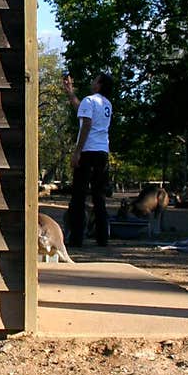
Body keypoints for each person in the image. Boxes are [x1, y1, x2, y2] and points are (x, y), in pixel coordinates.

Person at [63, 72, 113, 247]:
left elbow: (86, 125)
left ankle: (76, 238)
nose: (92, 81)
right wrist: (70, 93)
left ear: (98, 84)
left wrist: (78, 151)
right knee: (98, 196)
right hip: (102, 151)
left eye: (95, 80)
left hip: (88, 150)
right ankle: (102, 237)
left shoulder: (90, 100)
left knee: (79, 195)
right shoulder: (106, 104)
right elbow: (80, 110)